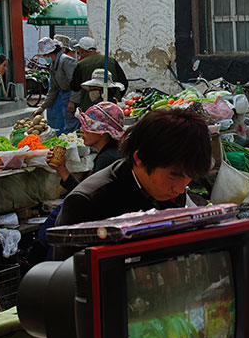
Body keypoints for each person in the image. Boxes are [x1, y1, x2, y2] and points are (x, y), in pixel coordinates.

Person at [51, 107, 213, 260]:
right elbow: (71, 276)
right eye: (172, 176)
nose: (179, 188)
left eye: (189, 177)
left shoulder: (170, 191)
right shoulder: (87, 202)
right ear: (140, 159)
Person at [46, 101, 125, 195]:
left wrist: (62, 170)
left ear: (102, 132)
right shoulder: (113, 150)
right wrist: (61, 168)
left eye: (87, 126)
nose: (81, 130)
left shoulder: (107, 159)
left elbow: (86, 198)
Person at [70, 36, 129, 114]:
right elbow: (124, 82)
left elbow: (75, 87)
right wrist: (117, 95)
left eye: (79, 52)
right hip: (112, 105)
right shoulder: (111, 60)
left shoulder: (81, 64)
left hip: (89, 107)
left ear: (82, 51)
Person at [33, 37, 79, 133]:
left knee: (71, 125)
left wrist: (73, 101)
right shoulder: (53, 65)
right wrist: (42, 107)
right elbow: (53, 89)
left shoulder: (66, 61)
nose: (45, 57)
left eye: (45, 55)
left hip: (72, 95)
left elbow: (75, 83)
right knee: (66, 123)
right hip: (65, 96)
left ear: (50, 53)